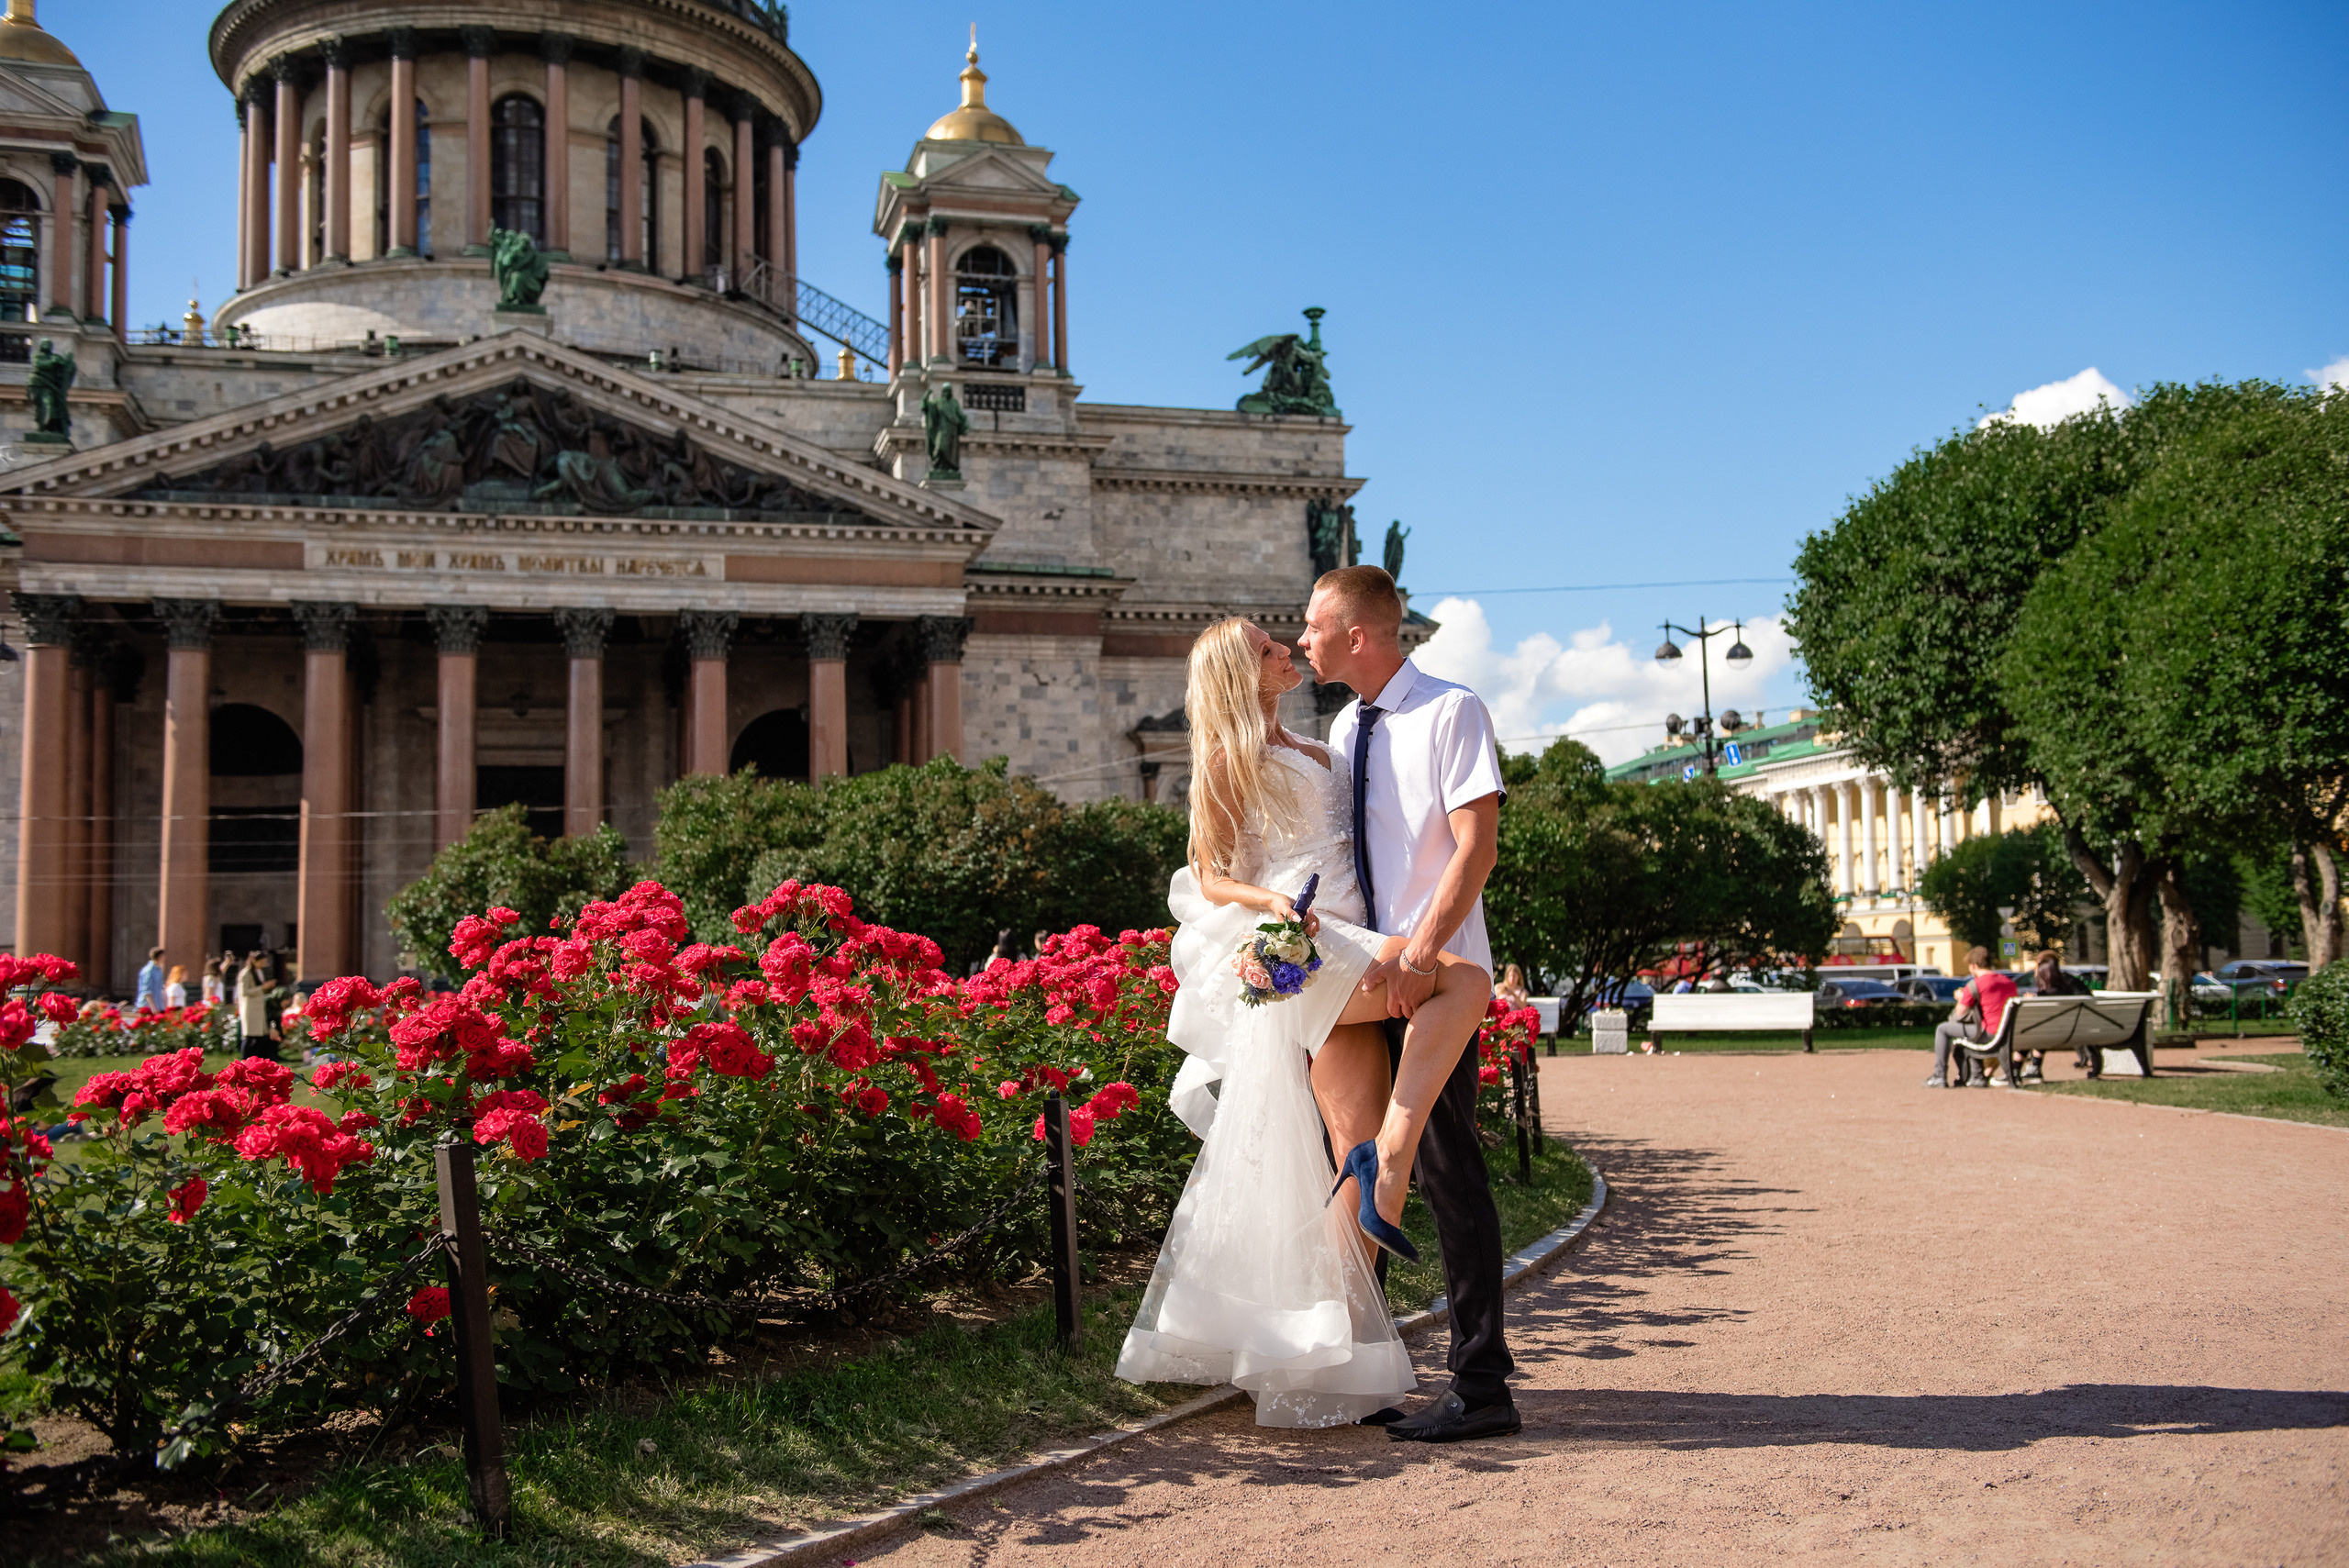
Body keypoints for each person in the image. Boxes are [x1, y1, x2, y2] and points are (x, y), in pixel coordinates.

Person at [1116, 603, 1494, 1430]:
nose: (1284, 648)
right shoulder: (1225, 756)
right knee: (1464, 983)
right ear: (1236, 671)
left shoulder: (1323, 747)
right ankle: (1394, 1159)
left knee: (1352, 1170)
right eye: (1263, 647)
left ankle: (1327, 1365)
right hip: (1311, 951)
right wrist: (1273, 901)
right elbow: (1209, 874)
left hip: (1358, 941)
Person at [1312, 564, 1514, 1443]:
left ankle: (1481, 1384)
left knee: (1446, 1166)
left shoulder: (1450, 709)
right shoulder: (1341, 727)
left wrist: (1425, 948)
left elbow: (1477, 847)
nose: (1304, 635)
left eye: (1316, 623)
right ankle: (1371, 1371)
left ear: (1361, 633)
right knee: (1362, 1158)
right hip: (1368, 974)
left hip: (1437, 982)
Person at [1927, 946, 2019, 1088]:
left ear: (1974, 965)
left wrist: (1960, 998)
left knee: (1942, 1029)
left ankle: (1939, 1076)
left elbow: (1960, 1013)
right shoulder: (2009, 982)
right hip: (2010, 1033)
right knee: (1973, 1032)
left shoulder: (1976, 984)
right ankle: (1976, 1076)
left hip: (1989, 1034)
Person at [2023, 950, 2091, 1081]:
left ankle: (2022, 1069)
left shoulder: (2045, 994)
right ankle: (2032, 1068)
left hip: (2053, 1034)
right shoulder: (2070, 985)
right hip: (2078, 1029)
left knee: (2031, 1032)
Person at [237, 951, 277, 1061]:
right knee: (250, 1035)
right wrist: (263, 987)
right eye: (262, 961)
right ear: (254, 961)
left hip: (259, 1007)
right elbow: (244, 992)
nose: (264, 964)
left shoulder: (258, 972)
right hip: (250, 1008)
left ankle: (257, 1059)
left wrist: (267, 987)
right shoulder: (246, 973)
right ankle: (245, 1058)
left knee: (260, 1036)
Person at [135, 946, 166, 1012]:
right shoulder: (149, 970)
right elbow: (147, 990)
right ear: (160, 957)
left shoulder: (159, 970)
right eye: (163, 956)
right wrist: (153, 1007)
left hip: (158, 1005)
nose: (165, 958)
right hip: (147, 1007)